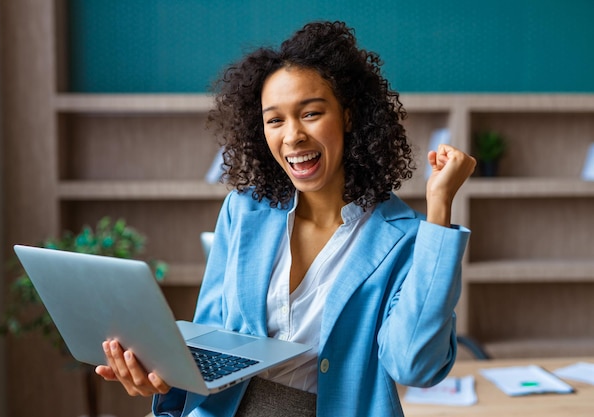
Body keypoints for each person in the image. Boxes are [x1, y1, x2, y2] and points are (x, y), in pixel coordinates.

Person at [96, 20, 476, 417]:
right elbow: (208, 340)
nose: (292, 136)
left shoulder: (407, 239)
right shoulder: (244, 210)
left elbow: (414, 364)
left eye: (310, 113)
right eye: (275, 120)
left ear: (347, 116)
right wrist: (160, 374)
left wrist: (439, 209)